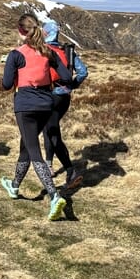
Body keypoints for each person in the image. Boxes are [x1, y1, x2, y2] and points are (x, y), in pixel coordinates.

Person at [0, 13, 73, 221]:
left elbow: (6, 85)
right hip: (46, 105)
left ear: (21, 32)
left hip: (25, 105)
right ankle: (14, 186)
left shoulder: (16, 54)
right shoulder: (49, 52)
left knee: (33, 151)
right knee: (26, 145)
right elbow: (67, 77)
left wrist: (14, 72)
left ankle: (54, 196)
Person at [41, 19, 89, 191]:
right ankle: (51, 165)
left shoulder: (43, 51)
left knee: (52, 131)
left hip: (49, 96)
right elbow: (83, 72)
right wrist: (72, 86)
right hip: (65, 97)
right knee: (50, 128)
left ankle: (67, 170)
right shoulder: (67, 51)